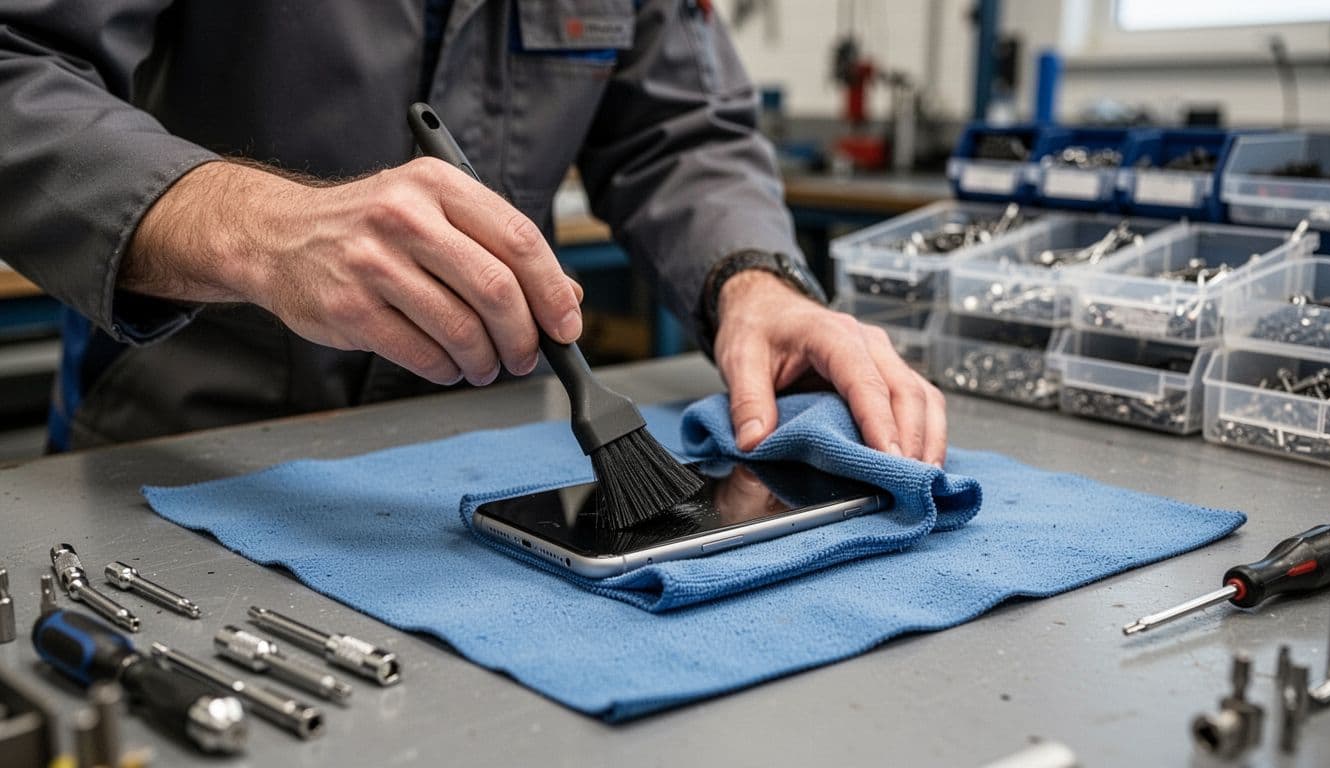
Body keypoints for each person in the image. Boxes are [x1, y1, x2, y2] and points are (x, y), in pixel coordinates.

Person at [0, 0, 946, 464]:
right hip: (191, 454)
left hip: (487, 469)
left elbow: (680, 127)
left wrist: (752, 278)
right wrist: (257, 228)